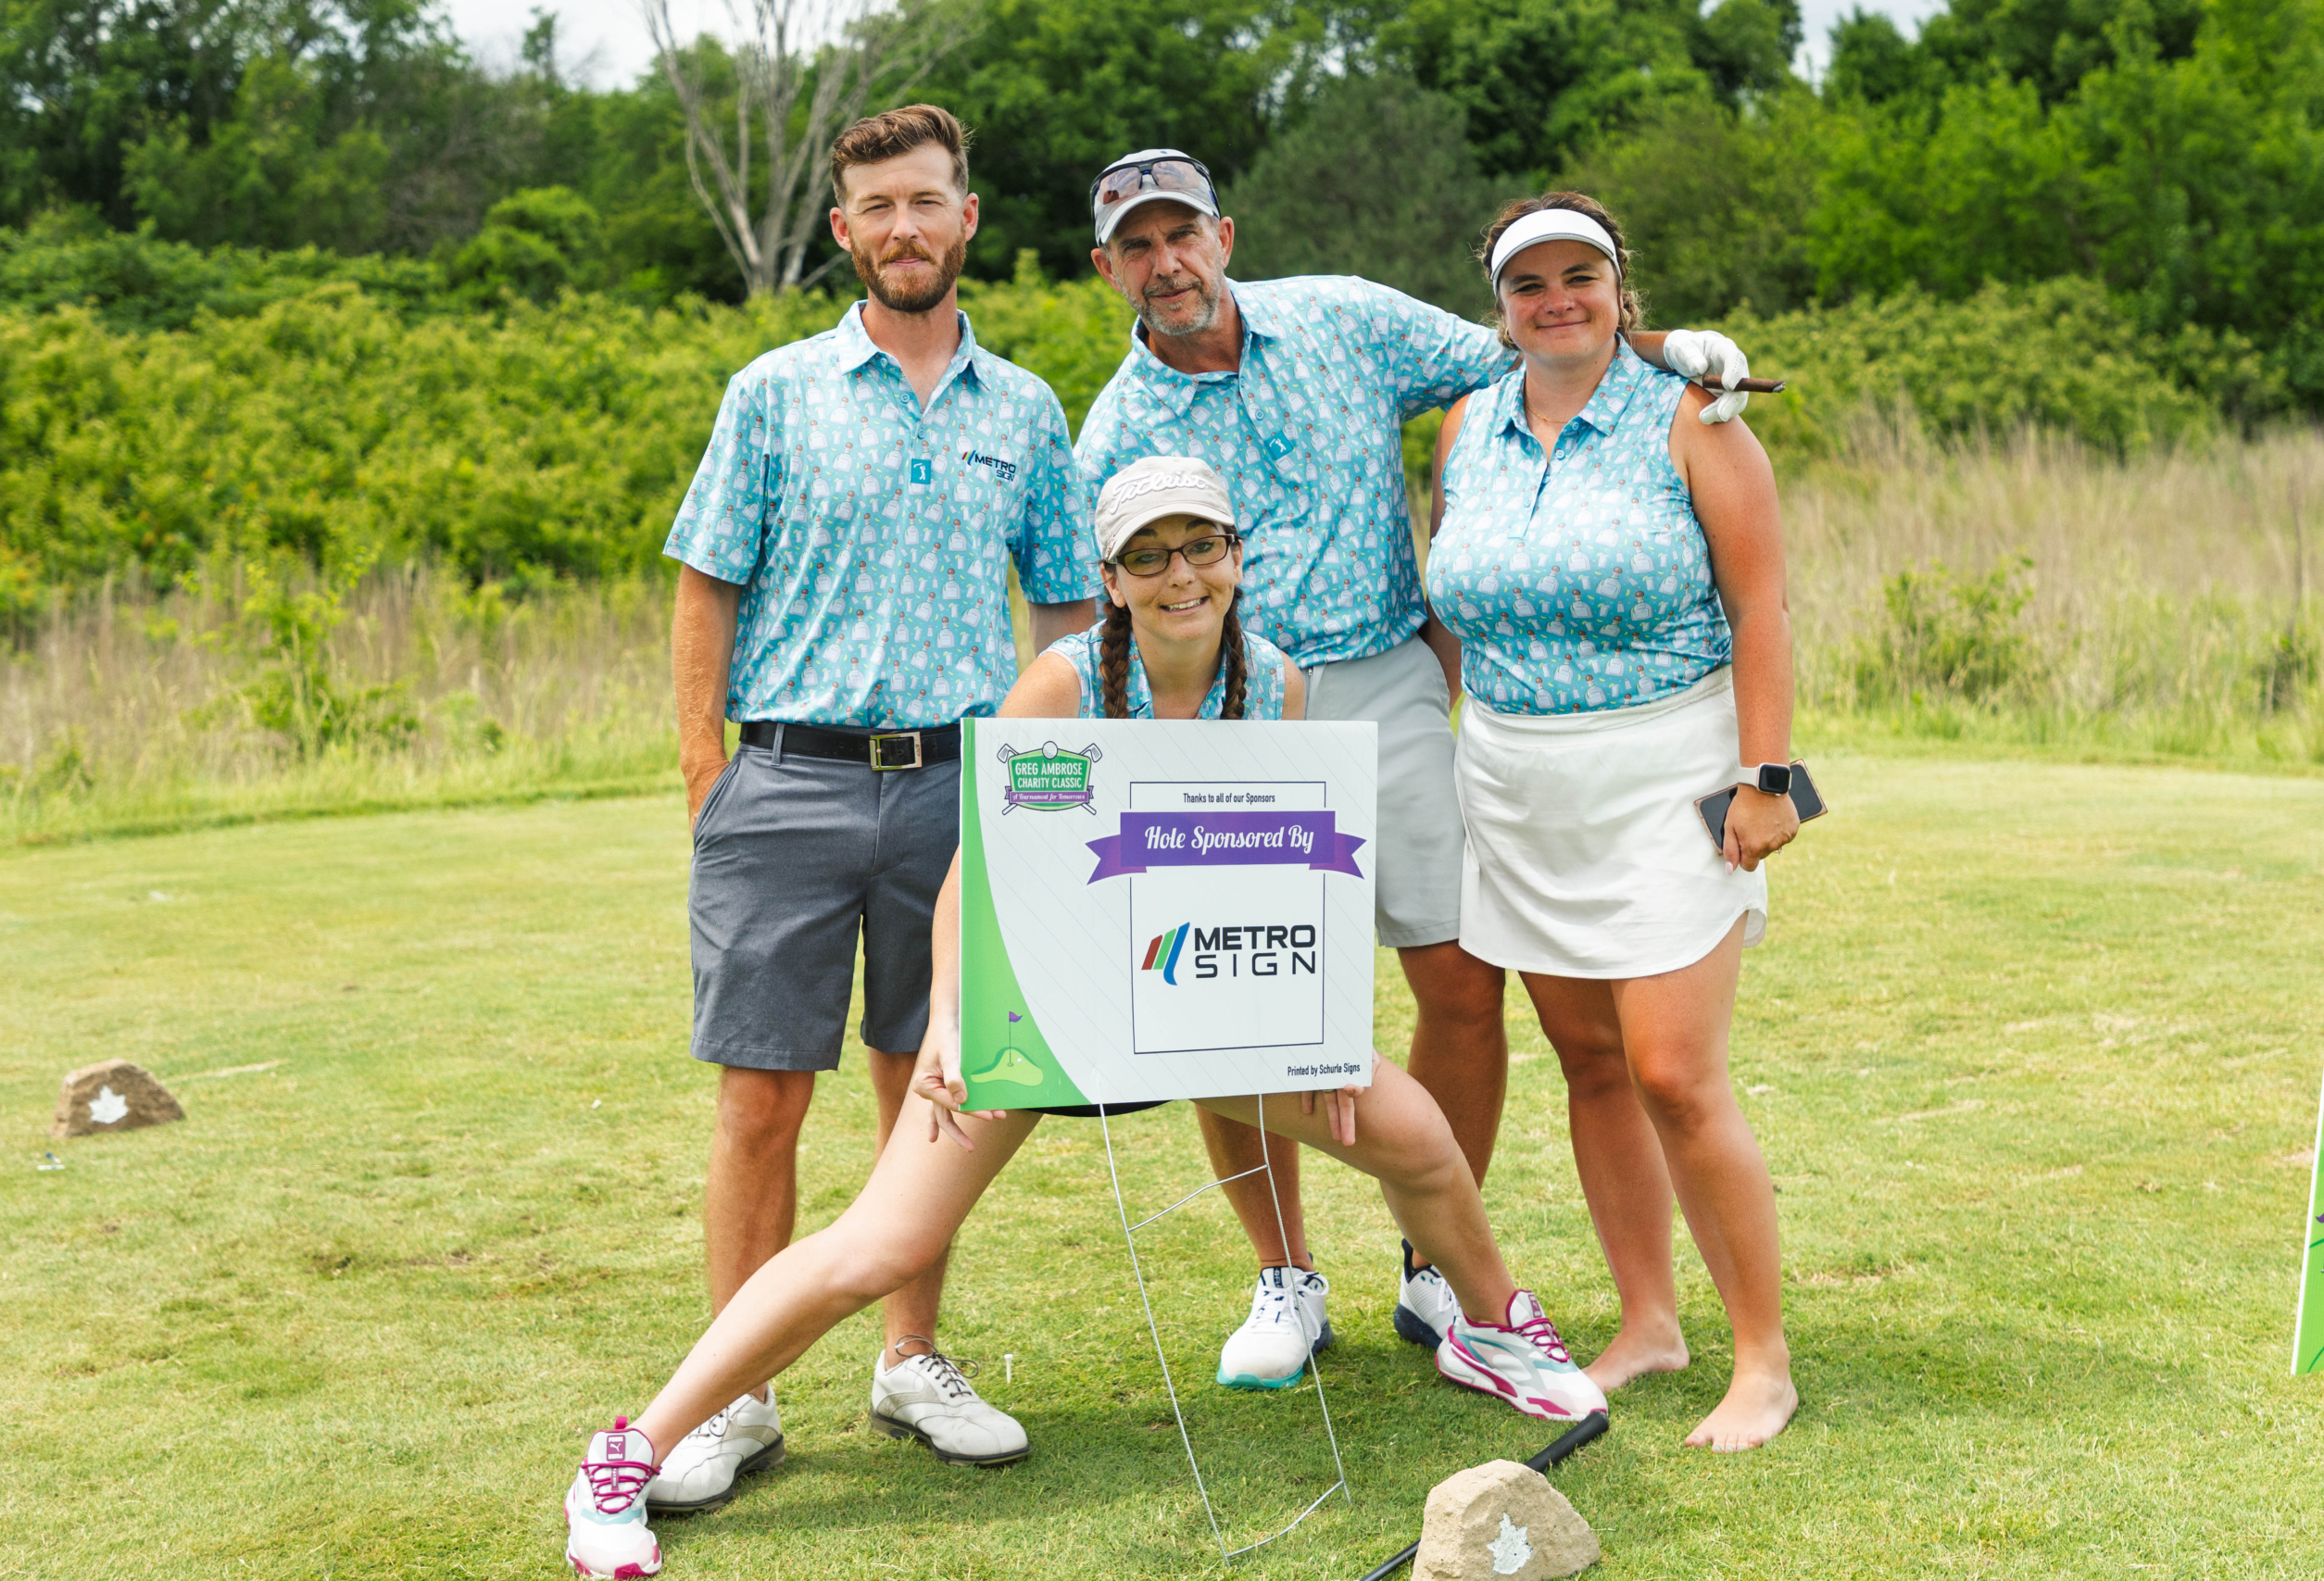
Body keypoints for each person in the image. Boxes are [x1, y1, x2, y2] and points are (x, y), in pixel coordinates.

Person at [562, 457, 1608, 1579]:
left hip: (1192, 1006)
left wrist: (1317, 1030)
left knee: (1417, 1139)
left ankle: (1490, 1329)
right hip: (1041, 1007)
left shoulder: (1276, 683)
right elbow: (973, 872)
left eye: (1200, 545)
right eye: (1147, 556)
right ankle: (629, 1453)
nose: (1179, 575)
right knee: (882, 1244)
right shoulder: (1060, 687)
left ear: (1236, 555)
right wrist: (951, 1020)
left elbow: (1291, 874)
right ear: (1111, 579)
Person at [1073, 147, 1760, 1391]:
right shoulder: (1117, 424)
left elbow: (1534, 344)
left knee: (1459, 976)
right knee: (1231, 1004)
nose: (1166, 263)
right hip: (1230, 708)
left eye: (1182, 234)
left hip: (1387, 681)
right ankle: (1285, 1273)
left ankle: (1432, 1261)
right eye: (1137, 246)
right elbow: (1114, 600)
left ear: (1224, 236)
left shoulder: (1345, 318)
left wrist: (1668, 350)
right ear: (1106, 267)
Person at [652, 104, 1098, 1513]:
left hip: (961, 787)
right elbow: (707, 583)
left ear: (968, 217)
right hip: (785, 780)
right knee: (761, 1100)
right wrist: (706, 773)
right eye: (878, 207)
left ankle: (912, 1358)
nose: (904, 227)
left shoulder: (1025, 408)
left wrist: (1060, 784)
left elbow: (1068, 609)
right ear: (844, 230)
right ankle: (734, 1398)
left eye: (927, 200)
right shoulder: (772, 391)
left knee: (932, 1089)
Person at [1423, 192, 1803, 1452]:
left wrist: (1770, 777)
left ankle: (1762, 1360)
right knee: (1587, 1060)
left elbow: (1761, 607)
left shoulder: (1696, 416)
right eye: (1528, 284)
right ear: (1501, 306)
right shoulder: (1469, 424)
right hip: (1517, 782)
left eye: (1578, 275)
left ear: (1618, 285)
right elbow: (1458, 599)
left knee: (1673, 1073)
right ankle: (1649, 1322)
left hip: (1668, 771)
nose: (1556, 301)